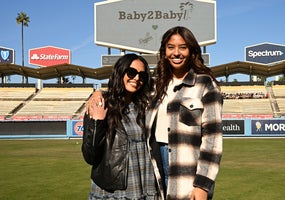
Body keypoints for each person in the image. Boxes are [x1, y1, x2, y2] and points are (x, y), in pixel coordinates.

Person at [146, 26, 223, 200]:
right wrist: (98, 93)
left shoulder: (205, 84)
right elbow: (125, 90)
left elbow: (213, 139)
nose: (176, 52)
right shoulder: (155, 86)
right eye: (171, 47)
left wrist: (202, 185)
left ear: (192, 51)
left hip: (187, 173)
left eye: (183, 47)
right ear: (164, 51)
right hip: (155, 168)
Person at [82, 53, 159, 199]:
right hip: (114, 190)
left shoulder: (146, 105)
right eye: (131, 72)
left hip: (146, 184)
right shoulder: (101, 104)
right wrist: (97, 122)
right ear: (120, 72)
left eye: (142, 75)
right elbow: (90, 156)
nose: (137, 78)